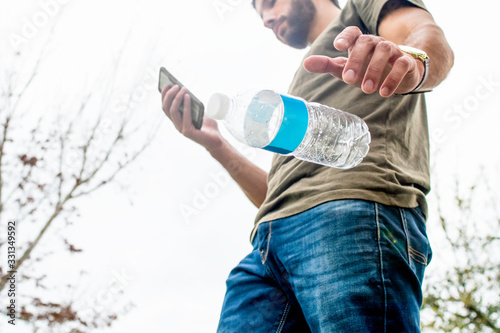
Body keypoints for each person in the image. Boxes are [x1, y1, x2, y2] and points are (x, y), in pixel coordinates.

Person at [160, 0, 454, 331]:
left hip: (350, 214)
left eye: (269, 3)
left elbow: (424, 34)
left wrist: (414, 64)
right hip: (266, 245)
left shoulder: (360, 12)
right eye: (259, 15)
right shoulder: (302, 82)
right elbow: (278, 195)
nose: (266, 19)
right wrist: (216, 144)